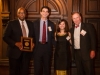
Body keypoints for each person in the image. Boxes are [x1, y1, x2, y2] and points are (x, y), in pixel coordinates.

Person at [3, 7, 34, 75]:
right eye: (20, 13)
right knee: (14, 72)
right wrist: (15, 43)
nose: (22, 14)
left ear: (26, 14)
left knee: (25, 72)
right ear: (17, 14)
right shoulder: (11, 23)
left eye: (23, 13)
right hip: (14, 53)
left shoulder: (30, 24)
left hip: (26, 53)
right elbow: (5, 37)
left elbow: (33, 36)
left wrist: (32, 43)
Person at [33, 6, 55, 75]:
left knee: (47, 69)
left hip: (47, 48)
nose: (45, 13)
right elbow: (31, 36)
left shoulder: (52, 24)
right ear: (40, 12)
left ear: (48, 13)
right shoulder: (34, 23)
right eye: (43, 11)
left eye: (46, 11)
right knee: (37, 69)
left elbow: (52, 38)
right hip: (37, 47)